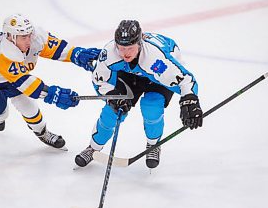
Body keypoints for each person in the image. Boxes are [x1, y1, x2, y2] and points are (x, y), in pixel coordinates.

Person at [75, 20, 203, 168]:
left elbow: (186, 80)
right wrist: (112, 95)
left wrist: (190, 100)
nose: (125, 53)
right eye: (121, 48)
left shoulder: (157, 58)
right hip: (129, 74)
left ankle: (153, 145)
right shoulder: (110, 53)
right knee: (113, 112)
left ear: (140, 43)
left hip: (155, 75)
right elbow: (99, 79)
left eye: (130, 48)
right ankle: (93, 148)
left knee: (151, 106)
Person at [0, 13, 101, 149]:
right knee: (0, 114)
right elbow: (27, 84)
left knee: (28, 106)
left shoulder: (34, 38)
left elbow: (56, 48)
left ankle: (42, 132)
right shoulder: (0, 54)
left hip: (11, 77)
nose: (28, 40)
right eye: (23, 37)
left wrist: (76, 54)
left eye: (29, 35)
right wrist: (54, 95)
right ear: (10, 37)